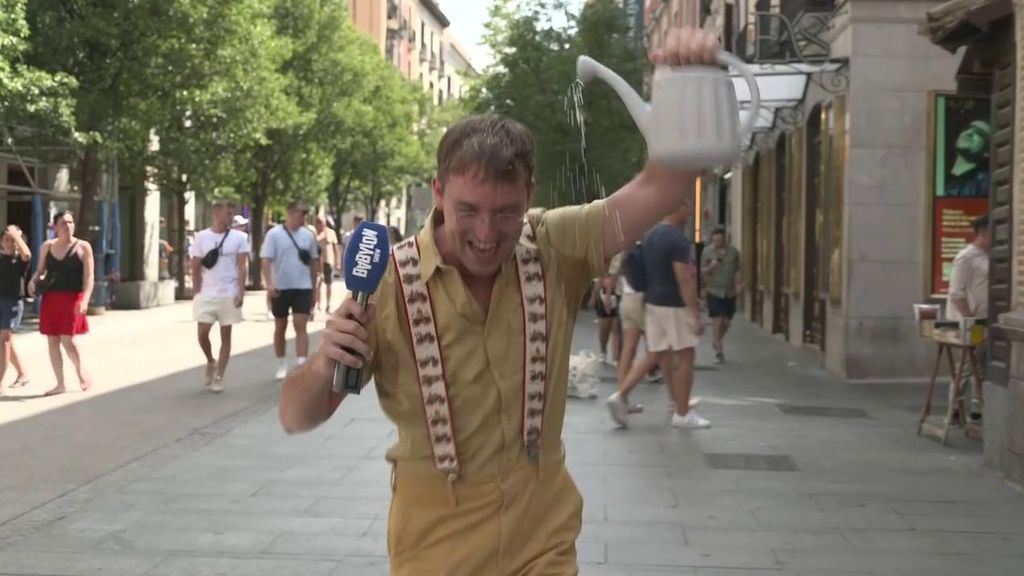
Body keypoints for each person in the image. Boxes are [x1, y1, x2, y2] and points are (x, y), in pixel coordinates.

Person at [278, 28, 719, 575]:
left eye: (506, 211)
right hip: (434, 545)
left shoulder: (557, 242)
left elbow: (662, 184)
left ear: (530, 195)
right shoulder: (387, 283)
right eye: (468, 210)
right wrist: (324, 360)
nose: (487, 233)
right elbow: (296, 416)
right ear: (438, 193)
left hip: (543, 537)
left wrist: (689, 76)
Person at [607, 201, 710, 429]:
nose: (689, 211)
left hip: (652, 301)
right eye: (686, 207)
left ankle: (620, 395)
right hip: (674, 303)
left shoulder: (651, 235)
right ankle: (682, 413)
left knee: (655, 352)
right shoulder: (678, 240)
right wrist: (695, 312)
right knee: (686, 354)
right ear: (676, 208)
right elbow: (683, 278)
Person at [28, 210, 94, 396]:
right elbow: (40, 271)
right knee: (52, 340)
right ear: (55, 226)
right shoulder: (47, 246)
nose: (68, 226)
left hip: (73, 298)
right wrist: (33, 281)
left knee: (68, 340)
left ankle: (80, 371)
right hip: (51, 298)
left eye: (71, 222)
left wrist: (86, 300)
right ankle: (60, 383)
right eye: (64, 223)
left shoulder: (83, 247)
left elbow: (89, 277)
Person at [190, 200, 250, 393]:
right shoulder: (202, 237)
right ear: (216, 213)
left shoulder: (239, 238)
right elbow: (195, 265)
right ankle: (210, 360)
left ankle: (219, 376)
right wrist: (196, 290)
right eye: (228, 213)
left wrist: (240, 292)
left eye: (233, 213)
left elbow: (242, 266)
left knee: (226, 335)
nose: (230, 217)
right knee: (202, 332)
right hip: (207, 293)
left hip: (228, 293)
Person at [261, 200, 320, 380]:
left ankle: (301, 363)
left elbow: (313, 262)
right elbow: (266, 260)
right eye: (301, 213)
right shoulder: (274, 235)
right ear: (291, 213)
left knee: (300, 324)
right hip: (281, 287)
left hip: (302, 287)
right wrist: (269, 284)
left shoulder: (308, 236)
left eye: (305, 214)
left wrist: (314, 288)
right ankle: (281, 363)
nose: (303, 217)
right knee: (280, 326)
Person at [700, 227, 742, 363]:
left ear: (725, 240)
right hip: (714, 290)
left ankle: (717, 340)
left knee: (726, 322)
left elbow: (737, 271)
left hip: (729, 291)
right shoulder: (707, 252)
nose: (717, 243)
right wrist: (711, 267)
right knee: (717, 320)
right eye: (714, 240)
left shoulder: (734, 252)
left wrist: (738, 285)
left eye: (719, 240)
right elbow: (702, 271)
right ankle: (719, 350)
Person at [0, 225, 31, 393]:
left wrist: (16, 235)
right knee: (6, 343)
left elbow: (27, 254)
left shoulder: (20, 259)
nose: (10, 243)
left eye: (13, 241)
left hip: (13, 303)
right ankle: (22, 374)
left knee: (4, 340)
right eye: (7, 240)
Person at [943, 120, 992, 199]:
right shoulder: (939, 176)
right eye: (967, 128)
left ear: (986, 152)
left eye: (979, 133)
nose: (969, 132)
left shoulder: (985, 183)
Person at [589, 273, 619, 365]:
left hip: (619, 292)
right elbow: (601, 277)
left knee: (616, 328)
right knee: (604, 328)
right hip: (603, 293)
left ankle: (616, 357)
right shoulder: (607, 262)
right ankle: (603, 351)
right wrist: (593, 297)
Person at [315, 215, 341, 312]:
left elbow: (336, 248)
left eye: (321, 222)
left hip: (328, 261)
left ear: (325, 223)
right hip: (317, 263)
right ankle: (317, 304)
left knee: (328, 283)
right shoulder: (314, 233)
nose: (319, 224)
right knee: (317, 284)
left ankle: (328, 304)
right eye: (317, 222)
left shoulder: (331, 232)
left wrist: (338, 262)